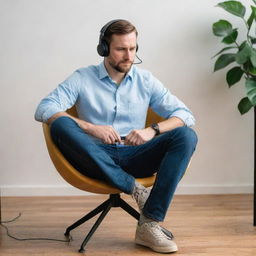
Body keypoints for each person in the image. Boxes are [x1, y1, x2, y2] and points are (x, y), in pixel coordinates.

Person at [35, 19, 198, 253]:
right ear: (104, 48)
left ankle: (149, 223)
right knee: (60, 124)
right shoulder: (83, 77)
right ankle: (134, 188)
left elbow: (185, 114)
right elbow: (44, 108)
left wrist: (151, 130)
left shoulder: (146, 80)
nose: (128, 56)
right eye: (121, 49)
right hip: (94, 156)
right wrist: (90, 127)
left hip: (135, 155)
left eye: (132, 49)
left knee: (186, 135)